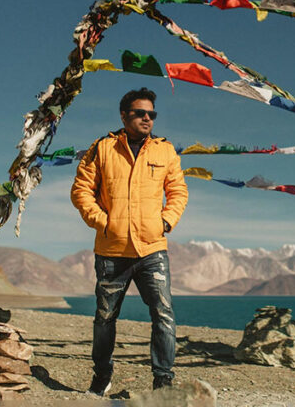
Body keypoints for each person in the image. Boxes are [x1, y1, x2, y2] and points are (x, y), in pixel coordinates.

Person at [70, 87, 188, 395]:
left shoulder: (165, 150)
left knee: (163, 313)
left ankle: (163, 380)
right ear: (124, 116)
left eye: (152, 114)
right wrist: (103, 221)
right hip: (112, 250)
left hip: (152, 249)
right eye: (141, 113)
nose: (147, 118)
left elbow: (178, 192)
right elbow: (81, 190)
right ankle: (101, 375)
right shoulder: (102, 148)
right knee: (105, 317)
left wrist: (165, 221)